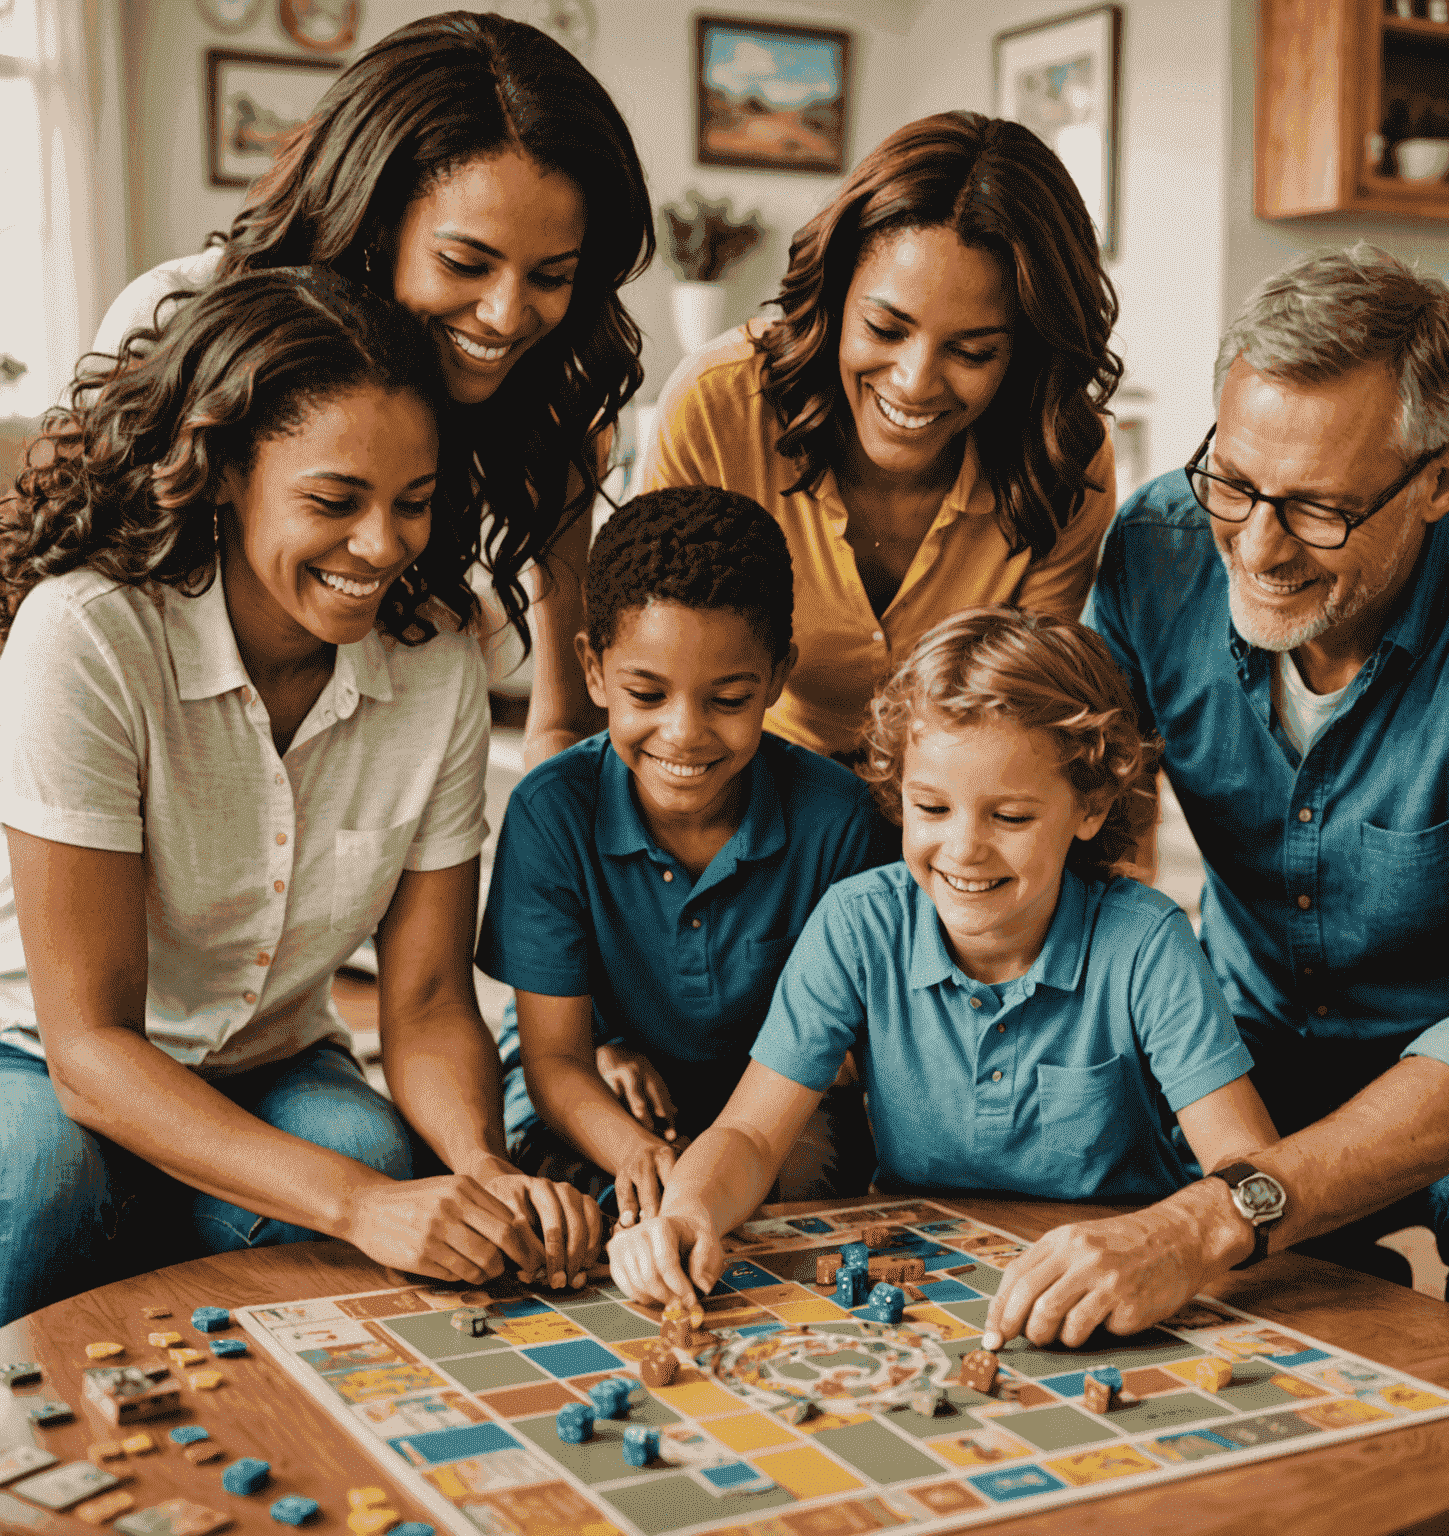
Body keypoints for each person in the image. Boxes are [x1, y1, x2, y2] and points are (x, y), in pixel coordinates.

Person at [0, 269, 601, 1328]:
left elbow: (420, 1004)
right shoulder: (86, 634)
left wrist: (476, 1169)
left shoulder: (439, 660)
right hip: (39, 1054)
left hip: (271, 1058)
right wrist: (364, 1207)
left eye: (412, 503)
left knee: (380, 1148)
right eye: (334, 501)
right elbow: (91, 1051)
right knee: (44, 1186)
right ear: (224, 470)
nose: (382, 547)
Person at [1067, 243, 1449, 1349]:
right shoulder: (1159, 549)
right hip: (1240, 1036)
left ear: (1439, 478)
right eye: (1234, 481)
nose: (1259, 548)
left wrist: (1222, 1215)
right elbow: (1084, 849)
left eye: (1319, 508)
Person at [606, 607, 1278, 1319]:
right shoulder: (857, 922)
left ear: (1091, 806)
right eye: (931, 807)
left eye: (1010, 817)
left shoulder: (1147, 944)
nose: (963, 849)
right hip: (921, 1289)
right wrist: (686, 1211)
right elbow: (749, 1134)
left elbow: (1249, 1167)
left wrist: (1172, 1243)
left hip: (1111, 1291)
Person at [92, 11, 654, 768]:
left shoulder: (551, 380)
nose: (505, 316)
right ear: (374, 222)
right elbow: (76, 625)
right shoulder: (179, 326)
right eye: (464, 263)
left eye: (551, 276)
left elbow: (561, 715)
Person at [639, 111, 1121, 762]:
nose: (915, 383)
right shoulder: (717, 405)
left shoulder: (1062, 454)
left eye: (972, 352)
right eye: (885, 330)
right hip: (750, 778)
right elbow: (663, 682)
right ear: (837, 296)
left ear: (1025, 355)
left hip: (948, 792)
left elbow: (1018, 725)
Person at [476, 487, 896, 1225]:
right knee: (581, 1220)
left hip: (771, 1103)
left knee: (795, 1207)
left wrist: (719, 1162)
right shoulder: (552, 812)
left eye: (728, 699)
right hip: (593, 1102)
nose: (684, 734)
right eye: (646, 693)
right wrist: (638, 1148)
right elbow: (554, 1063)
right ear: (595, 670)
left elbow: (845, 1058)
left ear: (776, 676)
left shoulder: (838, 819)